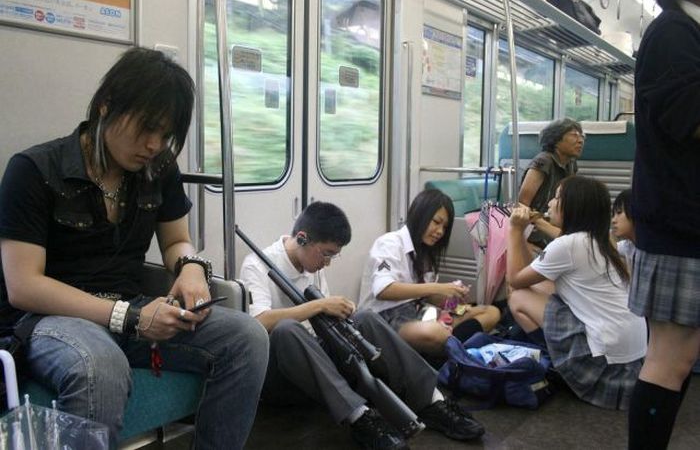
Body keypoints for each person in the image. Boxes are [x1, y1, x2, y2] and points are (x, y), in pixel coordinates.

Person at [0, 48, 269, 449]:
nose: (154, 144)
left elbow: (176, 241)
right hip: (53, 319)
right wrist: (130, 317)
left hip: (131, 308)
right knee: (99, 366)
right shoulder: (35, 170)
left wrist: (192, 268)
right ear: (107, 105)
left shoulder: (158, 169)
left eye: (166, 134)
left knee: (247, 337)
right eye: (146, 128)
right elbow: (24, 286)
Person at [239, 201, 485, 450]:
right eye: (326, 254)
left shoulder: (313, 263)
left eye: (333, 255)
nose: (328, 263)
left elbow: (322, 321)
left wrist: (343, 318)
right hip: (280, 374)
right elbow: (259, 322)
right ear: (302, 238)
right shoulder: (257, 265)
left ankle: (432, 401)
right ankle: (361, 418)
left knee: (365, 318)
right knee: (286, 330)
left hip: (316, 367)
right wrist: (319, 306)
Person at [626, 0, 700, 448]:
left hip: (685, 225)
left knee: (680, 357)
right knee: (669, 360)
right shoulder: (673, 32)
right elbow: (690, 119)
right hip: (680, 226)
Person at [507, 176, 646, 410]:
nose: (550, 203)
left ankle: (559, 366)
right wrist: (524, 231)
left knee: (518, 297)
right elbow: (528, 275)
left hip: (605, 366)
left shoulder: (569, 245)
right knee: (540, 287)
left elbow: (514, 280)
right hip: (633, 362)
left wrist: (514, 229)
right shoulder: (600, 240)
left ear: (573, 207)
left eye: (557, 197)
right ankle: (555, 357)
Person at [357, 189, 500, 356]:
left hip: (418, 313)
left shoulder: (426, 252)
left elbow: (427, 297)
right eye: (436, 222)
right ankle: (449, 347)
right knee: (435, 333)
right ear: (420, 215)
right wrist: (439, 288)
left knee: (491, 312)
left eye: (444, 227)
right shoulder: (389, 244)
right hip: (384, 319)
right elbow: (383, 289)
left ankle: (448, 347)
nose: (440, 232)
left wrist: (453, 300)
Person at [518, 118, 585, 248]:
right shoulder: (544, 162)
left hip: (554, 226)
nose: (580, 140)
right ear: (556, 139)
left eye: (581, 136)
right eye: (574, 135)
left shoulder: (571, 163)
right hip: (535, 231)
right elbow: (522, 204)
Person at [611, 189, 636, 269]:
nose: (613, 220)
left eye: (619, 212)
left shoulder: (651, 250)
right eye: (613, 215)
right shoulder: (627, 246)